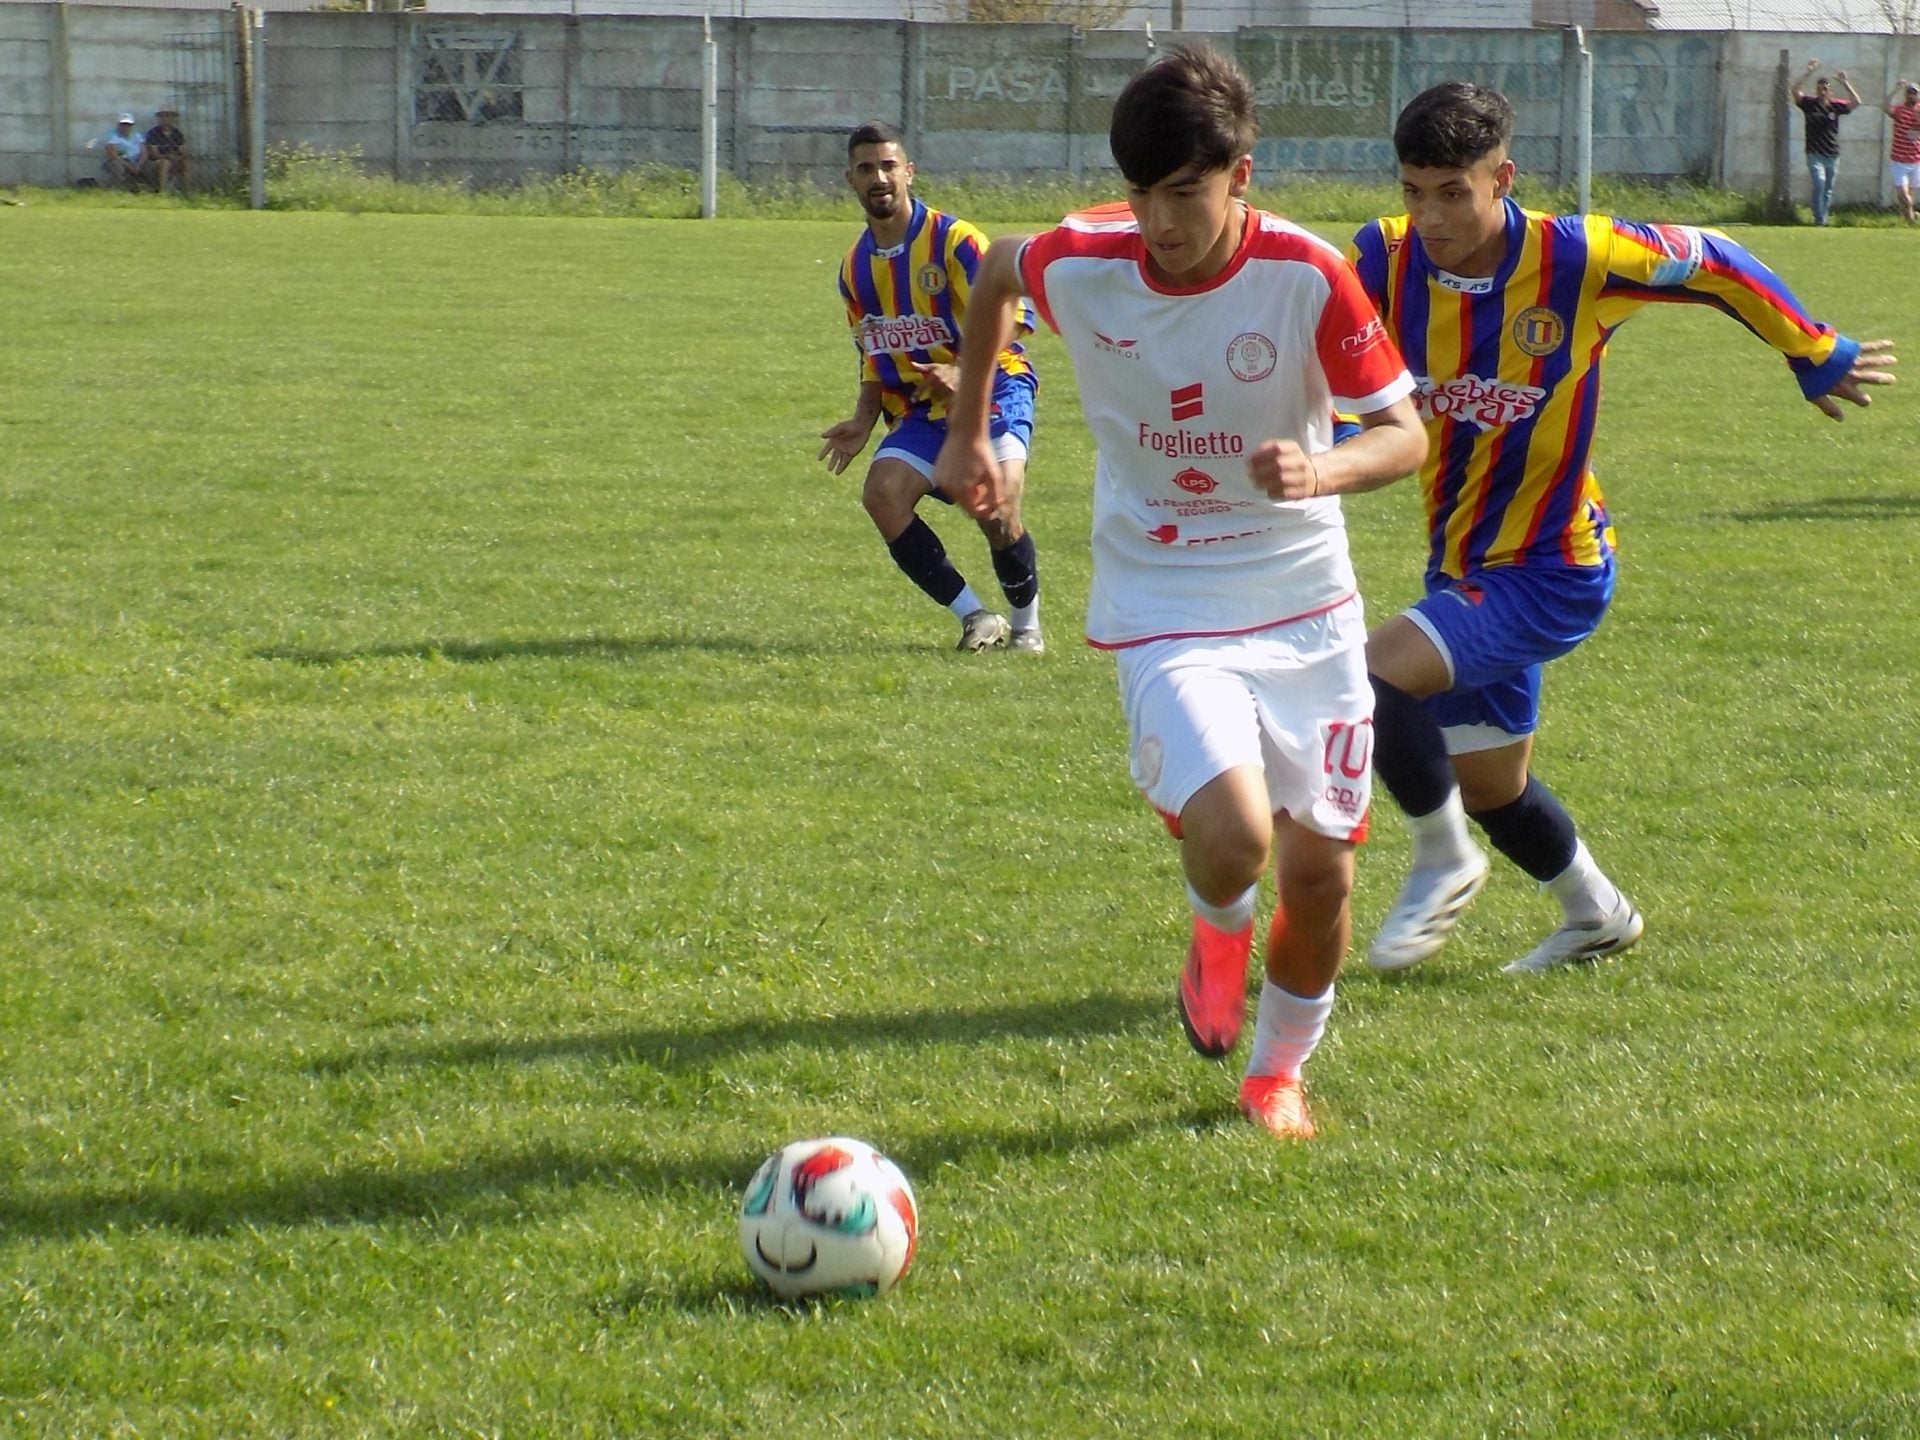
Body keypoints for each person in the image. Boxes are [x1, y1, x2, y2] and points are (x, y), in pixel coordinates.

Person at [932, 45, 1427, 1139]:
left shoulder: (1305, 273)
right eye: (1143, 193)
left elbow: (1405, 433)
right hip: (1163, 594)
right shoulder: (1086, 258)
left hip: (1304, 600)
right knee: (1239, 834)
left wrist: (1322, 469)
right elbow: (999, 270)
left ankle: (1275, 1075)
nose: (1159, 222)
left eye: (1186, 194)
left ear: (1241, 175)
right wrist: (970, 432)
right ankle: (1217, 930)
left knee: (1322, 876)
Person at [1347, 81, 1897, 977]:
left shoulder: (1578, 257)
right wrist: (1328, 440)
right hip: (1463, 566)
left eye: (1453, 192)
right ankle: (1597, 914)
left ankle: (1442, 859)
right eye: (1414, 192)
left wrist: (1814, 348)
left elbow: (1715, 259)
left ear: (1503, 179)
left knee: (1369, 676)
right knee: (1491, 785)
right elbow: (1340, 368)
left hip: (1553, 566)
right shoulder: (1384, 257)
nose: (1431, 217)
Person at [819, 121, 1044, 654]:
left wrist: (966, 370)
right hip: (923, 410)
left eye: (888, 166)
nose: (879, 178)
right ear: (850, 180)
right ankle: (976, 617)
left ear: (909, 172)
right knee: (882, 495)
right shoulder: (854, 269)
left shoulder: (956, 241)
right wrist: (863, 419)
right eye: (867, 169)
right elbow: (872, 351)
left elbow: (1014, 314)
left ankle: (1026, 626)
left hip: (994, 390)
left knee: (996, 508)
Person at [1790, 61, 1861, 225]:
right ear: (1816, 90)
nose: (1823, 92)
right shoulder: (1809, 104)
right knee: (1819, 183)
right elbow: (1794, 91)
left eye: (1826, 89)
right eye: (1820, 89)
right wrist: (1808, 72)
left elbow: (1857, 102)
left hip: (1832, 154)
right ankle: (1820, 220)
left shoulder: (1836, 106)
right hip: (1814, 153)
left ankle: (1822, 218)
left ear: (1830, 91)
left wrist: (1845, 82)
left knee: (1828, 189)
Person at [1883, 79, 1919, 224]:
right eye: (1909, 92)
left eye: (1914, 93)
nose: (1911, 95)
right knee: (1903, 194)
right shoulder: (1900, 110)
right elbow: (1886, 107)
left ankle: (1907, 219)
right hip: (1899, 160)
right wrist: (1895, 89)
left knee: (1909, 193)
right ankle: (1912, 218)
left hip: (1916, 160)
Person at [144, 108, 189, 195]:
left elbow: (182, 150)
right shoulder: (153, 133)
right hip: (156, 161)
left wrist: (177, 157)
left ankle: (185, 189)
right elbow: (154, 154)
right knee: (165, 163)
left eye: (168, 116)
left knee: (185, 162)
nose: (165, 119)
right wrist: (167, 156)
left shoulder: (177, 133)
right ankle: (162, 191)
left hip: (174, 158)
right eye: (163, 116)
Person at [100, 114, 148, 190]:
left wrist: (138, 165)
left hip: (136, 161)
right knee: (117, 166)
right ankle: (118, 188)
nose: (125, 127)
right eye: (123, 124)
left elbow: (144, 153)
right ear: (119, 125)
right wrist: (130, 167)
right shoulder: (113, 136)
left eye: (128, 125)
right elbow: (113, 155)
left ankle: (145, 188)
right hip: (120, 160)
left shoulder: (138, 136)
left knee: (149, 165)